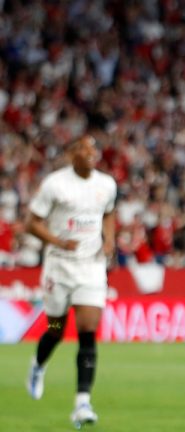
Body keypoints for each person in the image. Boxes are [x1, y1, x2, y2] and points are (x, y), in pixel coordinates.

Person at [25, 135, 117, 428]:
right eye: (85, 150)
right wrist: (57, 242)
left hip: (91, 267)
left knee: (88, 330)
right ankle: (38, 365)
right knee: (56, 329)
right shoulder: (55, 184)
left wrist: (109, 240)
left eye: (94, 150)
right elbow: (32, 222)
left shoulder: (106, 184)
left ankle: (82, 403)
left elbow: (109, 213)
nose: (92, 154)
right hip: (60, 267)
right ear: (71, 153)